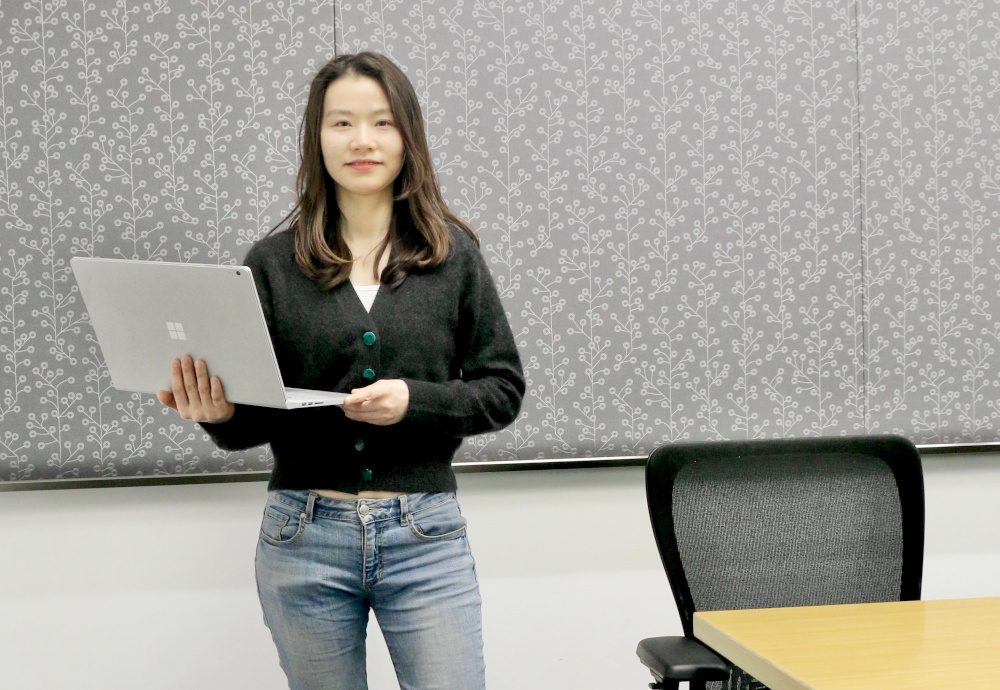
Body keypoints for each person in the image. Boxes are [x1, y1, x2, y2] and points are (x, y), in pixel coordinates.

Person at [156, 51, 525, 690]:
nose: (362, 141)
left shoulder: (453, 256)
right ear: (317, 137)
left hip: (425, 534)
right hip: (303, 535)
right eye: (341, 123)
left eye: (382, 122)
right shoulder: (271, 264)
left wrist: (413, 401)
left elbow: (502, 390)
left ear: (408, 137)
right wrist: (219, 414)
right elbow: (252, 423)